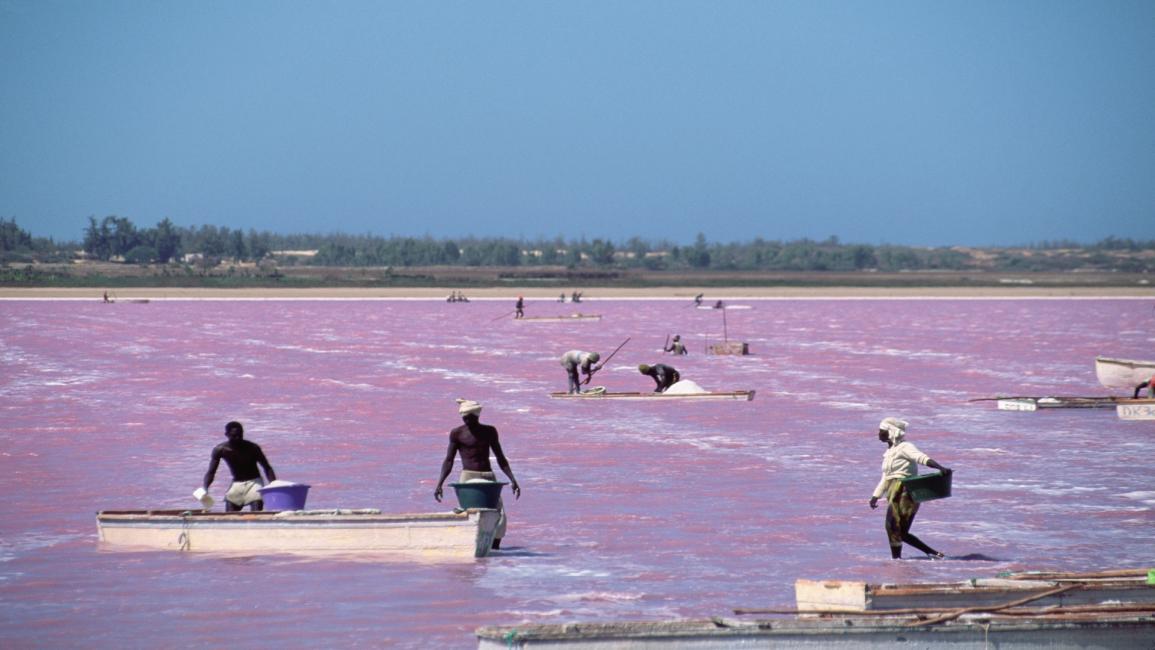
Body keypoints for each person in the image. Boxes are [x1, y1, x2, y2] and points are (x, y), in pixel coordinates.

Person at [434, 399, 522, 549]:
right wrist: (439, 484)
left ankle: (494, 550)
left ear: (477, 416)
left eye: (469, 417)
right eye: (464, 417)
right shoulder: (457, 433)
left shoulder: (489, 431)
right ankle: (468, 546)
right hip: (468, 476)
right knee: (468, 513)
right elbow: (449, 460)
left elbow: (500, 457)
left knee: (498, 515)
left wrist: (513, 479)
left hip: (488, 476)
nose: (467, 420)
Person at [869, 418, 951, 559]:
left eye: (881, 431)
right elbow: (886, 477)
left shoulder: (905, 447)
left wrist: (940, 468)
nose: (878, 433)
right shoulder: (890, 451)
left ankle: (898, 559)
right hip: (893, 490)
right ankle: (931, 554)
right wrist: (875, 496)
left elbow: (921, 457)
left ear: (891, 432)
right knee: (897, 529)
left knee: (893, 527)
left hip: (906, 490)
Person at [202, 421, 277, 512]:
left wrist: (273, 485)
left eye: (240, 435)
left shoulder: (252, 448)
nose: (237, 438)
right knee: (229, 515)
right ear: (227, 434)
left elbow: (267, 467)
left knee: (256, 510)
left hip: (254, 483)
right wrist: (205, 487)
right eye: (234, 436)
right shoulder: (221, 450)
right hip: (236, 483)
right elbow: (211, 472)